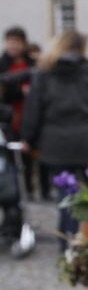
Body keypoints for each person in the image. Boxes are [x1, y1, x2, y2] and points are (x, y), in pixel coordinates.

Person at [22, 30, 88, 243]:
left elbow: (34, 110)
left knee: (66, 199)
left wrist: (28, 139)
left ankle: (69, 244)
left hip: (57, 144)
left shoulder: (44, 73)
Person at [0, 26, 42, 198]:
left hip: (30, 114)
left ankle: (34, 189)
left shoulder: (32, 63)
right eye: (10, 42)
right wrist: (19, 91)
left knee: (31, 153)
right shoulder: (3, 64)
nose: (13, 46)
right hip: (11, 116)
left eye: (17, 42)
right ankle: (15, 191)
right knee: (12, 156)